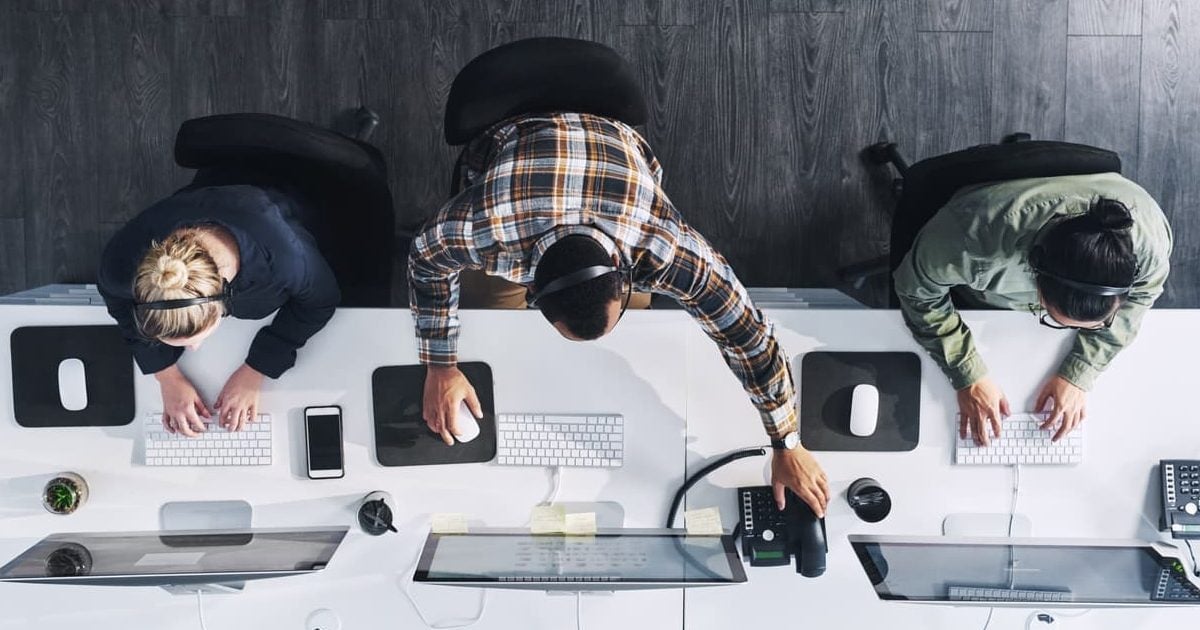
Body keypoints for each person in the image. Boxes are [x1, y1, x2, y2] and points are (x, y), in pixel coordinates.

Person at [408, 112, 830, 517]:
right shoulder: (486, 228)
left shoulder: (662, 245)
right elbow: (425, 259)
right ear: (530, 288)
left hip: (616, 167)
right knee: (490, 327)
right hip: (514, 143)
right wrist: (441, 366)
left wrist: (787, 442)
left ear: (625, 277)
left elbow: (748, 337)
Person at [893, 173, 1172, 446]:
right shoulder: (968, 241)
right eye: (1055, 319)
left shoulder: (1150, 244)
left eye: (1101, 322)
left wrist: (1080, 372)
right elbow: (917, 293)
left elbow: (1142, 297)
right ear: (1036, 287)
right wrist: (968, 374)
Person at [98, 184, 340, 438]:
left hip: (297, 196)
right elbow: (116, 300)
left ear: (223, 301)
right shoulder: (121, 265)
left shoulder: (285, 261)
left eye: (196, 338)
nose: (193, 349)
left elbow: (320, 301)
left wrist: (257, 368)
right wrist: (166, 375)